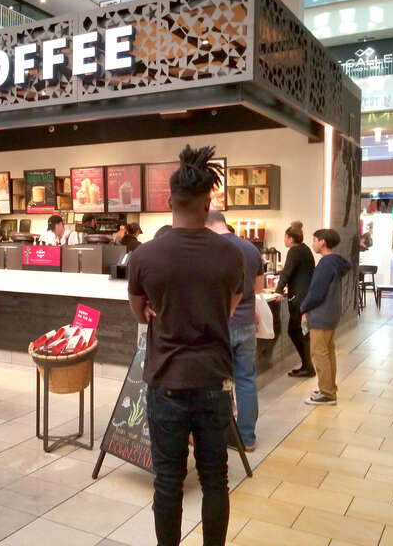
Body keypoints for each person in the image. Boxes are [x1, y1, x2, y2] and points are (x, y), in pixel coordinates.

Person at [127, 145, 244, 546]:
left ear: (168, 201)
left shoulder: (144, 255)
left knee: (168, 481)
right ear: (209, 201)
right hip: (213, 381)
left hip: (165, 383)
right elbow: (228, 309)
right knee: (216, 480)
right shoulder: (231, 253)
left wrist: (162, 313)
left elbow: (140, 311)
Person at [206, 211, 263, 452]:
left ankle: (225, 433)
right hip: (247, 322)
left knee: (220, 380)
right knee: (246, 379)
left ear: (207, 225)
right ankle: (247, 437)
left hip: (219, 323)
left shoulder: (209, 249)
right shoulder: (250, 248)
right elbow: (258, 287)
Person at [301, 228, 351, 406]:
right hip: (331, 313)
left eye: (314, 240)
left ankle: (327, 393)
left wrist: (303, 307)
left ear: (322, 242)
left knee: (320, 353)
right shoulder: (335, 263)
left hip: (321, 314)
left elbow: (316, 293)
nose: (313, 243)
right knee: (328, 352)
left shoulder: (325, 264)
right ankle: (329, 387)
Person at [275, 221, 316, 377]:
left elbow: (287, 272)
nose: (284, 240)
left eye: (285, 237)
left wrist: (279, 290)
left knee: (296, 331)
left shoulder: (294, 251)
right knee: (301, 331)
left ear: (291, 238)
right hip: (305, 298)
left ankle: (307, 367)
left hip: (299, 299)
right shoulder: (305, 249)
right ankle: (307, 365)